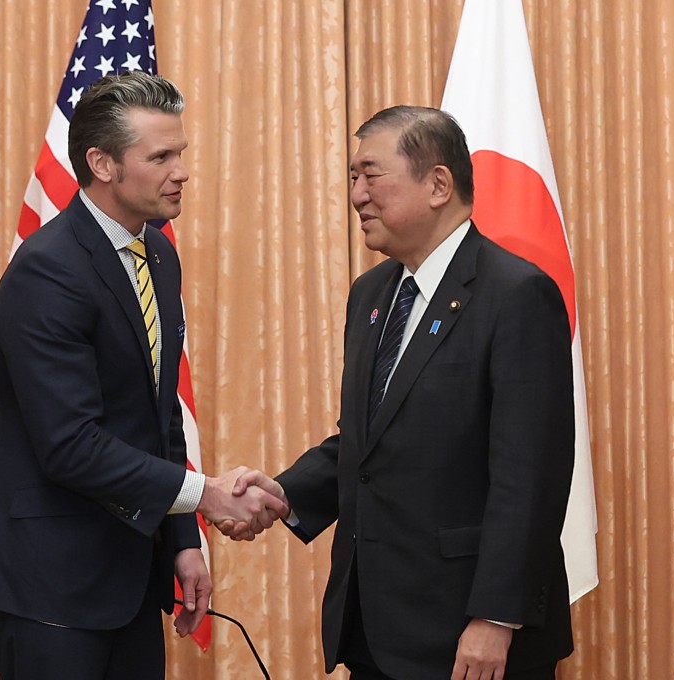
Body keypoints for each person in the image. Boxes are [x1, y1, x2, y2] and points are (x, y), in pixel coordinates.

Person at [226, 106, 575, 680]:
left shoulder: (516, 294)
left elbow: (530, 475)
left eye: (371, 174)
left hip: (472, 634)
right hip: (376, 627)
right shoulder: (372, 294)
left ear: (438, 184)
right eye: (352, 178)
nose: (357, 194)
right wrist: (282, 493)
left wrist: (494, 618)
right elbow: (367, 442)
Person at [0, 71, 287, 680]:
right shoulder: (48, 271)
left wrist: (185, 540)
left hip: (132, 574)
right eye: (161, 156)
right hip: (50, 582)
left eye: (181, 153)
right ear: (102, 164)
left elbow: (159, 412)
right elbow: (70, 445)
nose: (182, 170)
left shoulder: (157, 254)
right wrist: (207, 493)